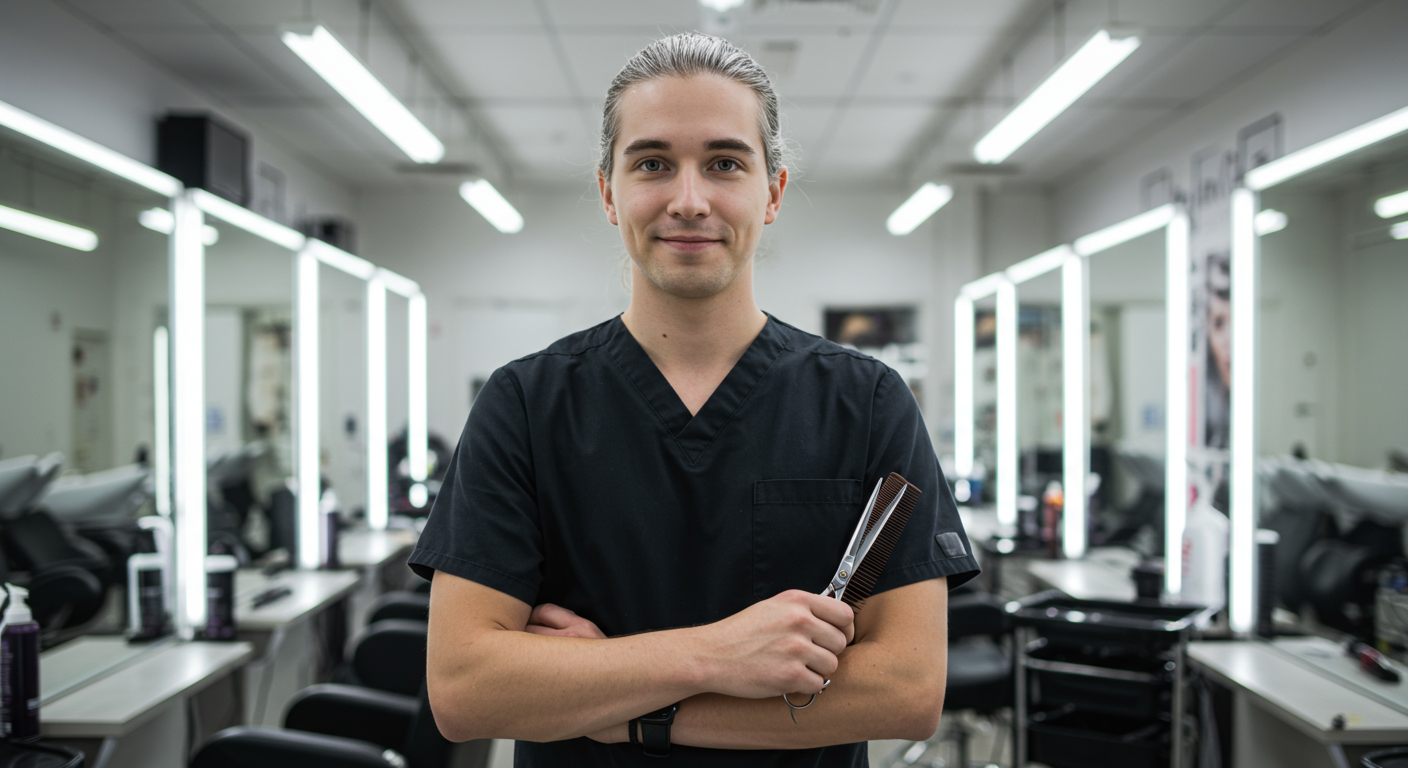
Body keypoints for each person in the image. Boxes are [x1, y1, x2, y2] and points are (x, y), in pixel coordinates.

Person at [410, 32, 979, 766]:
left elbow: (905, 691)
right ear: (609, 192)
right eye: (652, 163)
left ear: (771, 191)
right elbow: (465, 690)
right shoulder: (524, 404)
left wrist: (633, 714)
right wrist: (716, 654)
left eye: (724, 163)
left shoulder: (864, 402)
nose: (688, 199)